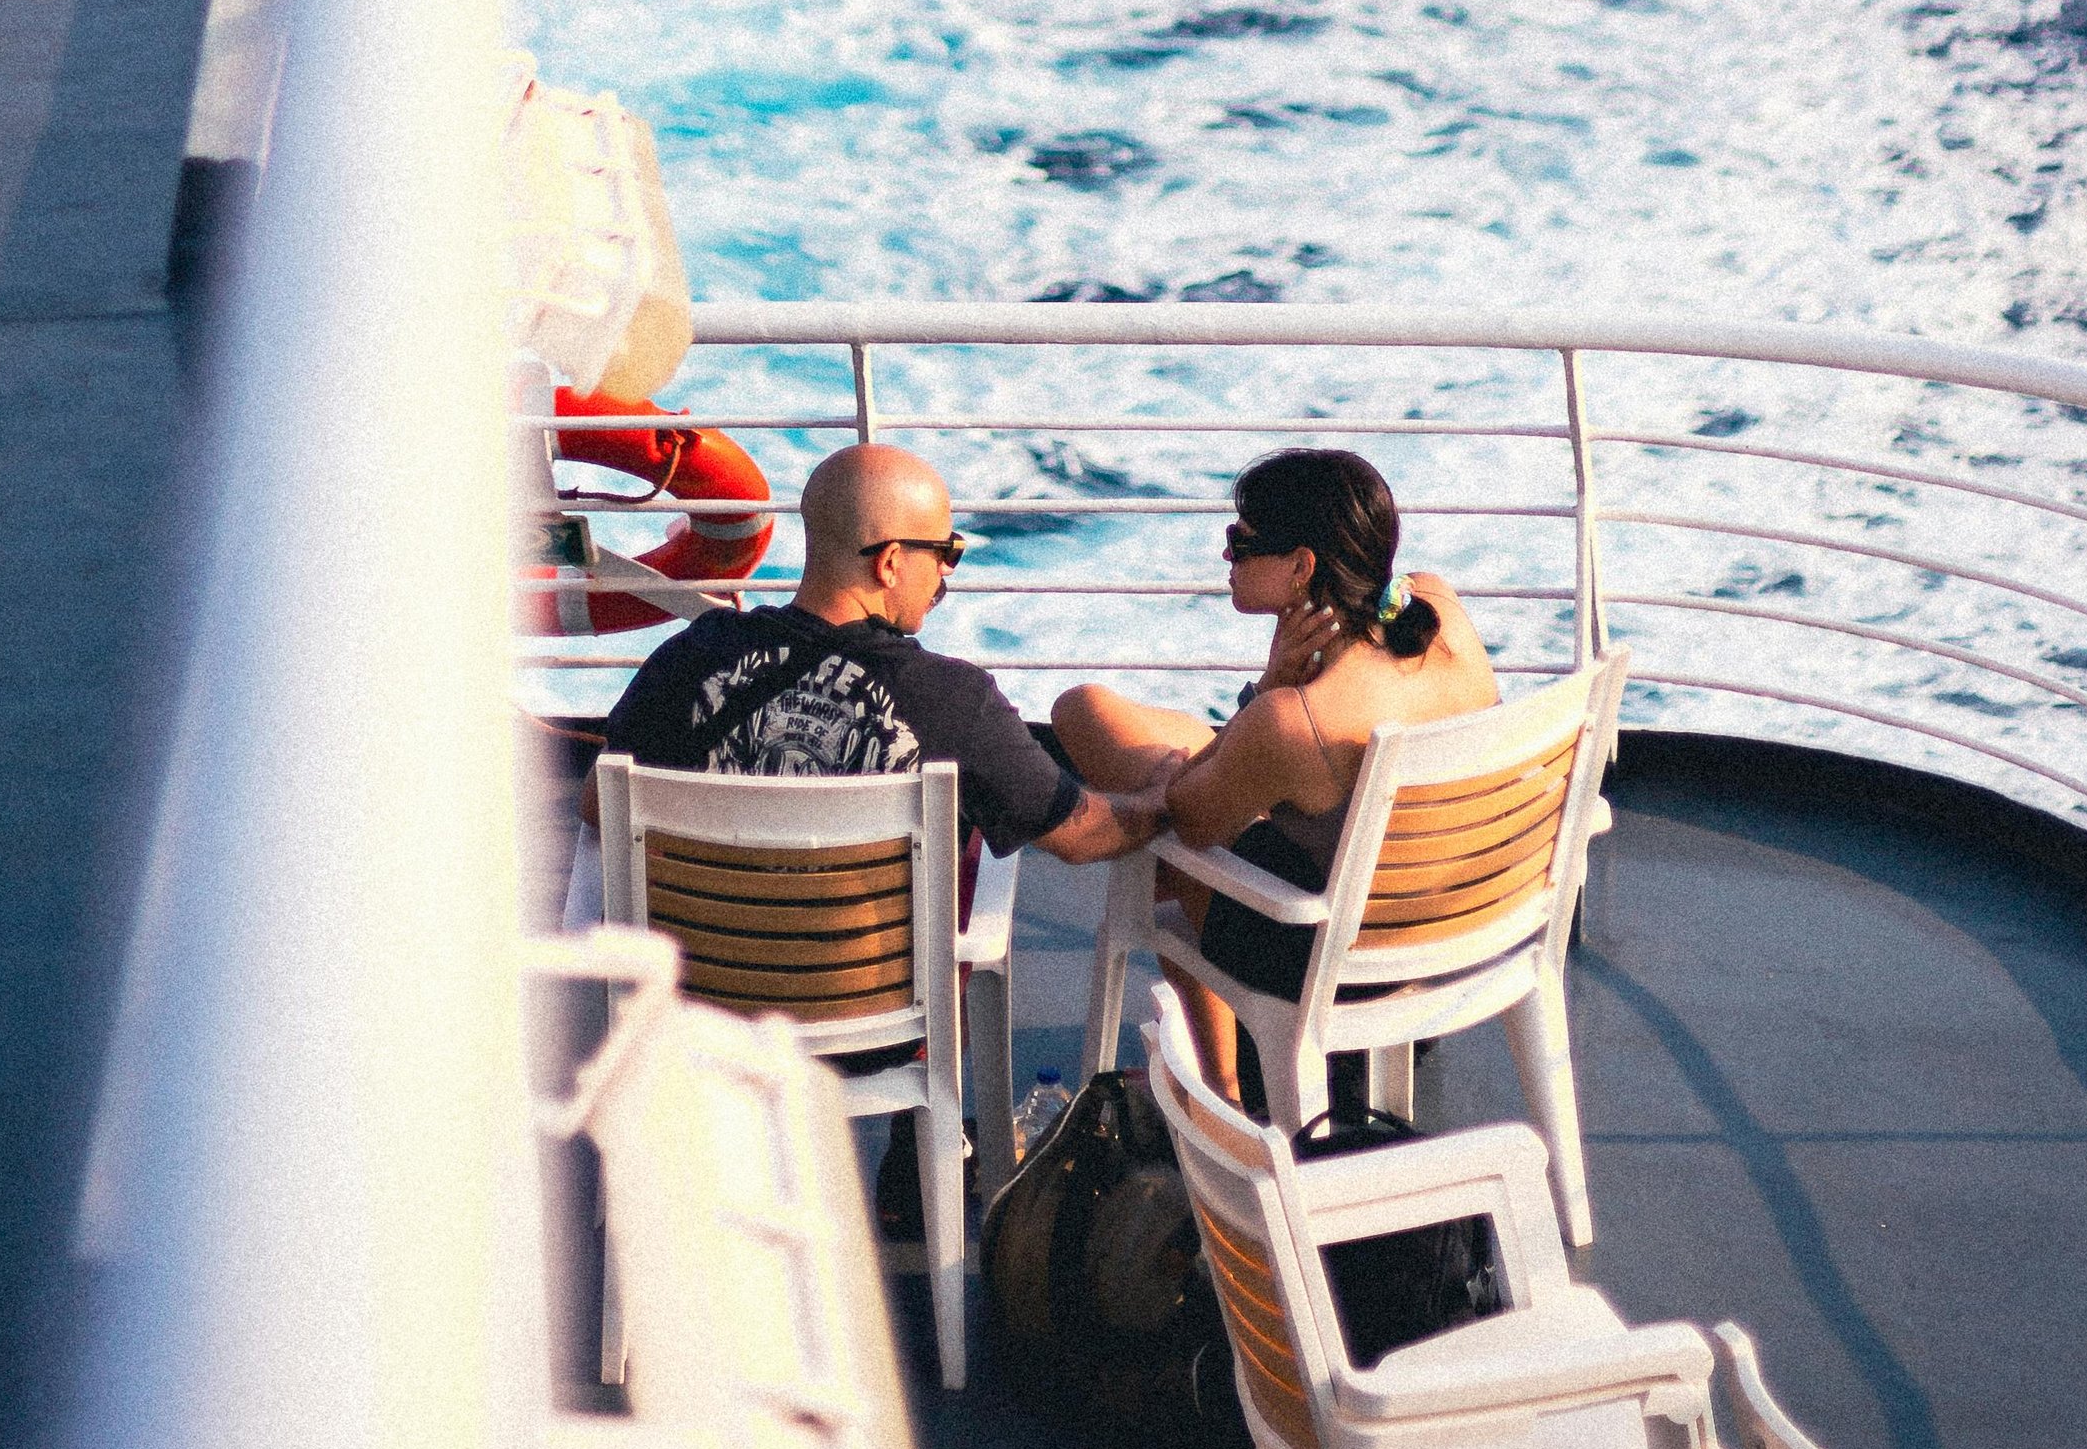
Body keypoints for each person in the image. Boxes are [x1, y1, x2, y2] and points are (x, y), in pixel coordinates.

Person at [1052, 445, 1498, 1106]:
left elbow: (1186, 819)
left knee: (1126, 785)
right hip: (1446, 927)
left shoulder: (1296, 720)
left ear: (1301, 567)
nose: (1227, 558)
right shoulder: (1438, 609)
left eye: (1241, 541)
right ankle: (1228, 1078)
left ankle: (1225, 1088)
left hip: (1330, 961)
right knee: (1155, 745)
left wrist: (1264, 690)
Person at [580, 439, 1166, 874]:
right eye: (944, 550)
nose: (945, 569)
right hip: (873, 1027)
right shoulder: (958, 704)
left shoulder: (689, 657)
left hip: (701, 1011)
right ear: (889, 562)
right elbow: (1084, 835)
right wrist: (1164, 797)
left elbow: (596, 807)